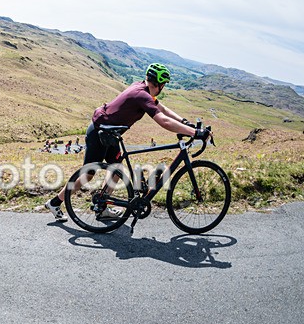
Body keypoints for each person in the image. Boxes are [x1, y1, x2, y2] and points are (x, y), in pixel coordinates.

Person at [45, 63, 212, 222]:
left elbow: (163, 109)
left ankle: (102, 208)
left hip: (110, 133)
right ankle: (55, 203)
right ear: (160, 84)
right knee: (88, 175)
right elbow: (164, 121)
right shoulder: (142, 95)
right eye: (164, 85)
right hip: (99, 132)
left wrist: (185, 123)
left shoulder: (142, 88)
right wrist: (195, 133)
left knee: (116, 170)